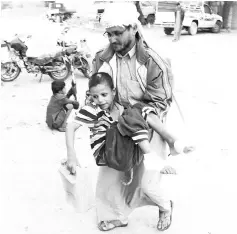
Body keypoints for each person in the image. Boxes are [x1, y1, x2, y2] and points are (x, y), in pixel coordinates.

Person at [68, 3, 194, 232]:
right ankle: (117, 215)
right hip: (115, 121)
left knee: (147, 180)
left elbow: (160, 102)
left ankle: (165, 206)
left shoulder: (154, 62)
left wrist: (134, 114)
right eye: (110, 33)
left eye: (118, 33)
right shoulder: (101, 59)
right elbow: (95, 93)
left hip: (147, 121)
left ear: (134, 29)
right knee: (109, 173)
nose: (113, 39)